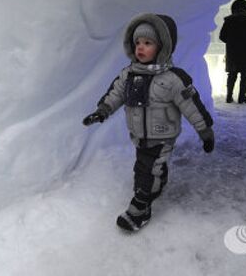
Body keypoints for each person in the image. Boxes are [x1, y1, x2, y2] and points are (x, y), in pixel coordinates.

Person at [82, 13, 215, 232]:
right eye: (137, 43)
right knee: (143, 167)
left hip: (163, 135)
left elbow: (191, 106)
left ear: (163, 47)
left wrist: (205, 131)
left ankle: (141, 207)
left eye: (148, 43)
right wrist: (102, 111)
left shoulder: (173, 78)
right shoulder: (128, 75)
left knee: (149, 170)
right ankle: (155, 184)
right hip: (139, 135)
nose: (140, 48)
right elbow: (115, 94)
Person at [219, 0, 246, 104]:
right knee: (245, 75)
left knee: (232, 74)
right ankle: (242, 97)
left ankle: (229, 97)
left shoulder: (228, 20)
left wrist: (231, 42)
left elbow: (222, 36)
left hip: (232, 52)